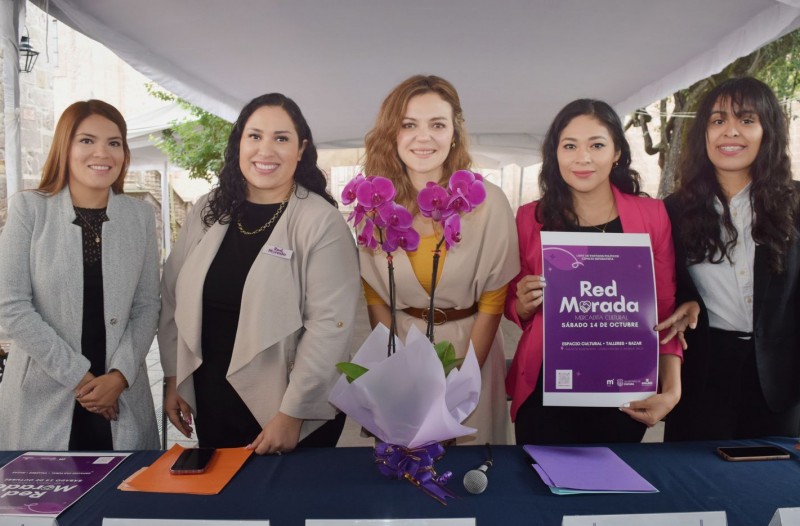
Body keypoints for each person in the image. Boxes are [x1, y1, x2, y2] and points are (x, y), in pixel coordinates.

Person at [159, 93, 359, 454]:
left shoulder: (321, 222)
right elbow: (173, 294)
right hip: (212, 397)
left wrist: (292, 413)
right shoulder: (208, 209)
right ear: (239, 144)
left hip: (284, 405)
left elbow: (329, 327)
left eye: (281, 138)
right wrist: (175, 376)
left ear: (301, 149)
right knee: (226, 507)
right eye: (254, 136)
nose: (265, 150)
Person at [505, 99, 683, 444]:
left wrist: (672, 390)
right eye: (569, 146)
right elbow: (514, 302)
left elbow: (664, 311)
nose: (582, 158)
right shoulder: (530, 218)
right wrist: (521, 305)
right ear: (555, 154)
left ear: (617, 152)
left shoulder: (652, 216)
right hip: (546, 393)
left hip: (622, 395)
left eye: (597, 145)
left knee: (610, 493)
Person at [359, 75, 519, 444]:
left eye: (437, 124)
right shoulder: (375, 204)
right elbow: (375, 297)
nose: (423, 137)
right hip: (403, 346)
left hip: (471, 349)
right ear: (391, 133)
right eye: (409, 124)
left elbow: (494, 300)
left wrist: (461, 385)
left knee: (469, 468)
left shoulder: (487, 203)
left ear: (455, 133)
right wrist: (393, 371)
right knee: (407, 468)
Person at [0, 100, 160, 451]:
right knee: (47, 498)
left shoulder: (140, 217)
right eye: (87, 140)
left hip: (121, 396)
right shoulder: (29, 209)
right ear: (65, 147)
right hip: (44, 393)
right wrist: (81, 379)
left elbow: (148, 305)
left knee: (124, 496)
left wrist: (119, 377)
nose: (102, 153)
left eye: (114, 143)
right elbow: (11, 307)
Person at [660, 77, 800, 441]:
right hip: (703, 375)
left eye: (746, 120)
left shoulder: (795, 205)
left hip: (781, 382)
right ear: (703, 133)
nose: (730, 132)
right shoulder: (673, 211)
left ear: (767, 132)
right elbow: (664, 286)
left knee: (770, 489)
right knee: (695, 486)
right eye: (718, 121)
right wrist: (684, 301)